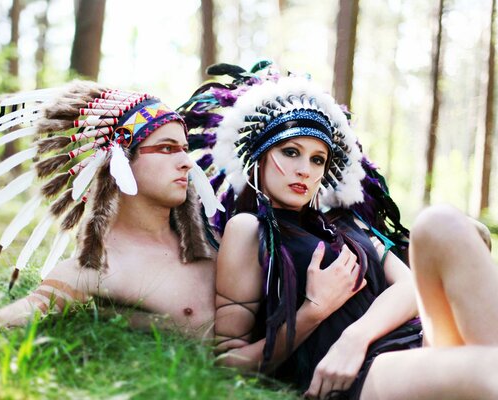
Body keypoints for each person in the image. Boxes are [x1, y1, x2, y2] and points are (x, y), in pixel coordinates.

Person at [181, 63, 498, 400]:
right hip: (363, 374)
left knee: (444, 224)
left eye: (318, 159)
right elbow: (229, 362)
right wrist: (312, 311)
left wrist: (355, 337)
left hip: (412, 340)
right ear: (258, 157)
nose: (305, 170)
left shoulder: (345, 222)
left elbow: (409, 288)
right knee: (484, 368)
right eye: (290, 153)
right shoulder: (249, 229)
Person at [0, 82, 222, 359]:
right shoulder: (96, 268)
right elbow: (25, 310)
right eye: (167, 149)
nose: (186, 162)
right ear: (118, 159)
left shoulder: (218, 237)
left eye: (184, 149)